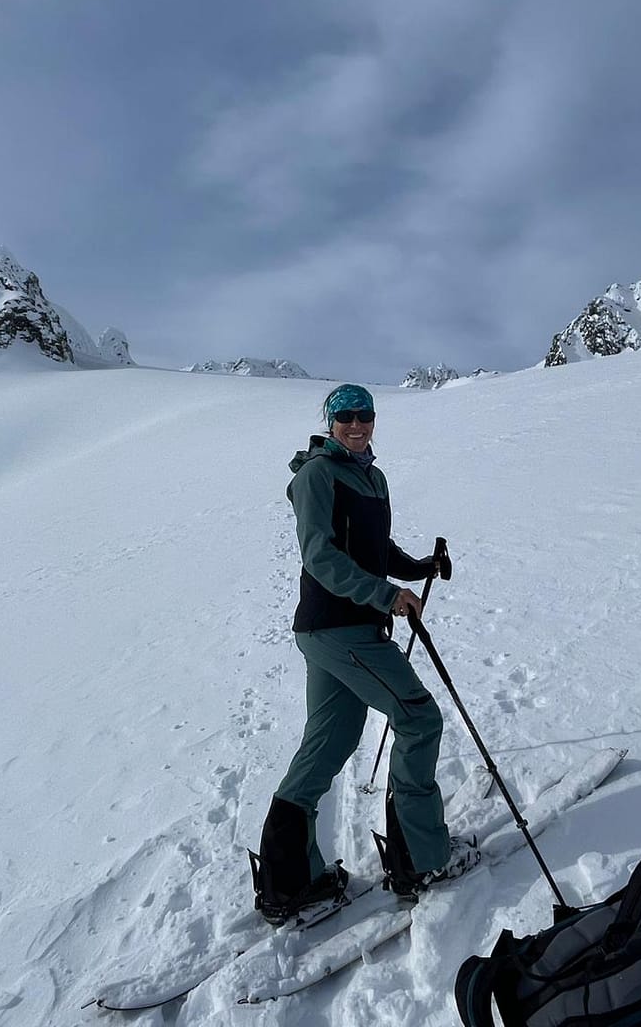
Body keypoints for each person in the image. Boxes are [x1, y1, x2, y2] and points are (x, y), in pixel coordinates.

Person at [251, 383, 480, 924]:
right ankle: (421, 859)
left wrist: (416, 568)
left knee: (331, 740)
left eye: (365, 415)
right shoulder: (317, 475)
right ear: (330, 422)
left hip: (340, 628)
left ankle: (291, 882)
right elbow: (321, 556)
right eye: (346, 416)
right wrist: (384, 595)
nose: (357, 424)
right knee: (419, 719)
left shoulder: (372, 477)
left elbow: (373, 550)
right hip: (339, 627)